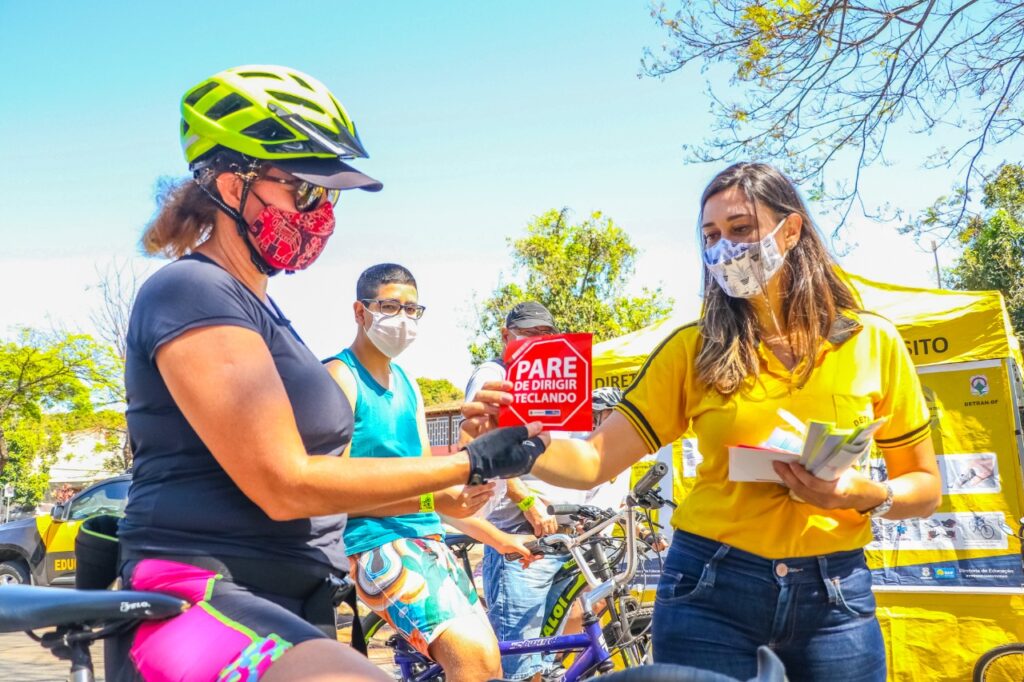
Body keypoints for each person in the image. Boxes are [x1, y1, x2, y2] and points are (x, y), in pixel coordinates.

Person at [109, 64, 545, 682]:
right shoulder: (191, 290)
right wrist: (467, 463)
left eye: (328, 197)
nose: (321, 214)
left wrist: (450, 488)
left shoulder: (261, 309)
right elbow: (284, 482)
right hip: (200, 589)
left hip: (291, 595)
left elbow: (335, 485)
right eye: (305, 192)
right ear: (233, 186)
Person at [463, 162, 942, 681]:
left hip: (836, 597)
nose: (724, 249)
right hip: (709, 588)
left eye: (740, 230)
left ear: (792, 229)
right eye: (710, 236)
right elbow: (593, 460)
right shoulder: (692, 350)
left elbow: (925, 487)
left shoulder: (874, 342)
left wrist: (860, 495)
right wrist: (516, 438)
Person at [324, 263, 537, 682]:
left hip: (428, 542)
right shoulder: (339, 377)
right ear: (359, 311)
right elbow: (332, 491)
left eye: (412, 309)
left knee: (490, 662)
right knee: (472, 657)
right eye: (390, 306)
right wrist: (432, 498)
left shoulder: (408, 384)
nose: (402, 319)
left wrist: (501, 539)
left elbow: (433, 490)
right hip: (375, 545)